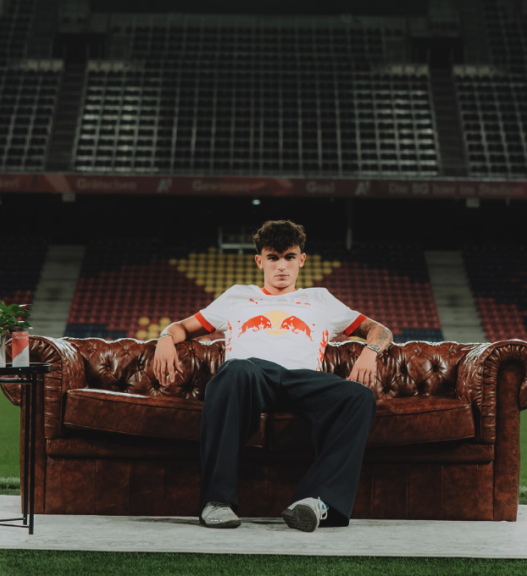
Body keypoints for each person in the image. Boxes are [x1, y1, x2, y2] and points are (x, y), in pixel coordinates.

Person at [153, 220, 393, 533]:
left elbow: (379, 330)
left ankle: (317, 502)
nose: (281, 266)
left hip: (302, 380)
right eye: (273, 257)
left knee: (359, 397)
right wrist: (165, 338)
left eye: (289, 257)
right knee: (234, 370)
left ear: (301, 260)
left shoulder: (320, 299)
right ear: (259, 261)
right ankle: (217, 501)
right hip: (251, 376)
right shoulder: (237, 296)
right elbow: (183, 327)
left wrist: (370, 351)